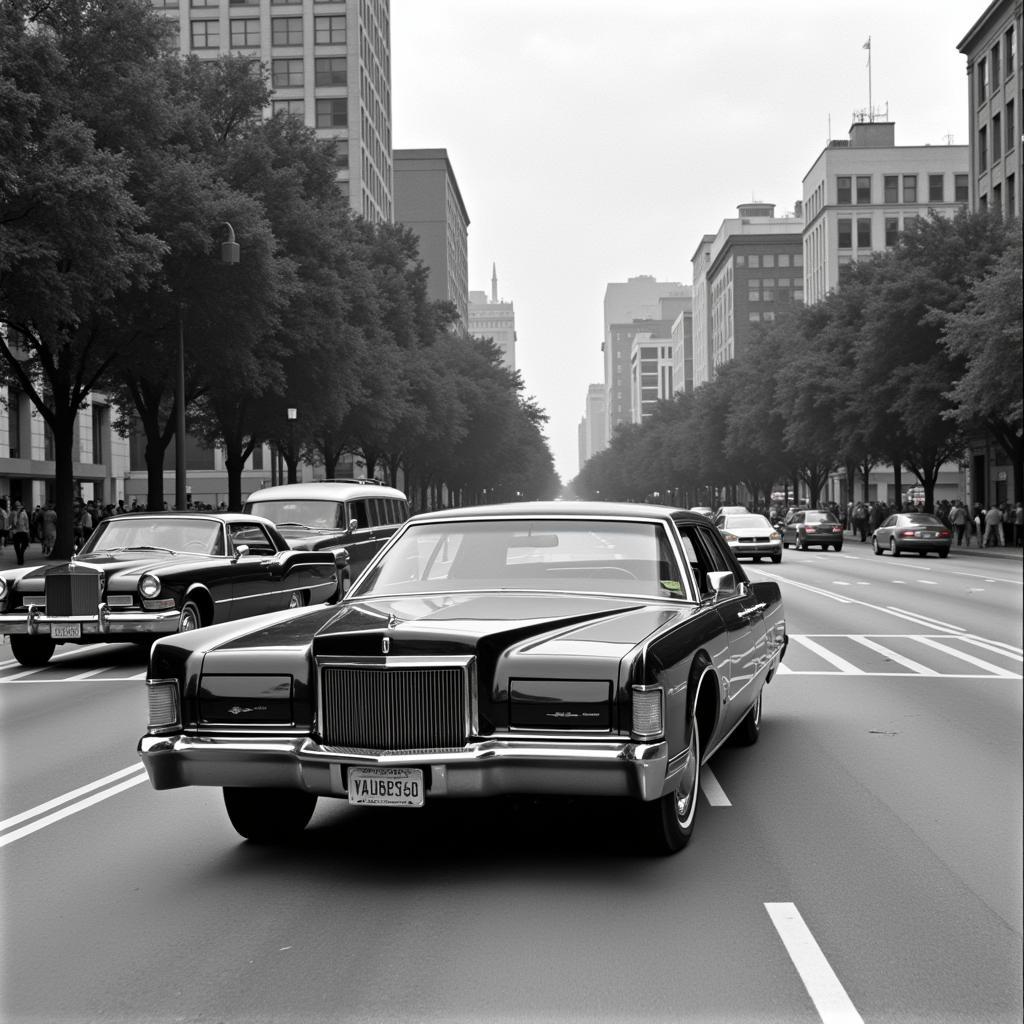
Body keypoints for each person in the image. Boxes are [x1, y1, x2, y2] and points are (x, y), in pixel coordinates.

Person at [10, 500, 31, 566]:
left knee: (24, 544)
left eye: (19, 505)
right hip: (16, 532)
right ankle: (20, 559)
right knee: (16, 546)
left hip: (23, 531)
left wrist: (27, 530)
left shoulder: (24, 513)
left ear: (21, 505)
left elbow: (26, 522)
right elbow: (11, 522)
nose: (18, 506)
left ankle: (21, 554)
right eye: (16, 505)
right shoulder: (13, 513)